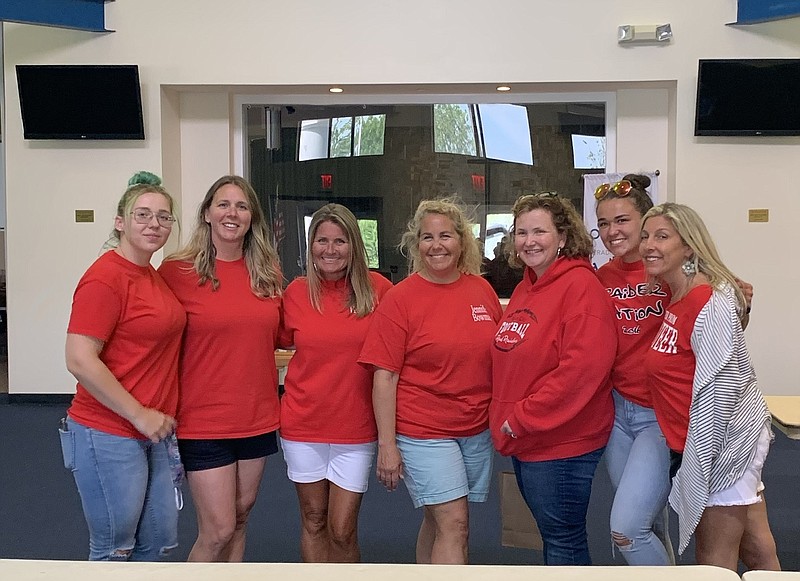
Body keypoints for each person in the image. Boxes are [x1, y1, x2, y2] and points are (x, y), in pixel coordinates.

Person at [359, 197, 502, 564]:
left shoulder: (481, 290)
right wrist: (387, 445)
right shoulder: (400, 299)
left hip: (473, 427)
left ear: (462, 241)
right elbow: (384, 377)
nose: (436, 245)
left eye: (445, 235)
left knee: (437, 518)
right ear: (415, 244)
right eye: (427, 237)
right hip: (423, 429)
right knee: (456, 524)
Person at [641, 202, 779, 572]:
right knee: (756, 550)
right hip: (712, 442)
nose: (648, 245)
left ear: (688, 247)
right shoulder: (680, 296)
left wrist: (702, 463)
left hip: (722, 447)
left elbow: (720, 392)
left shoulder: (707, 301)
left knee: (712, 562)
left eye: (662, 236)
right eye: (646, 236)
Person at [158, 175, 283, 562]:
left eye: (242, 206)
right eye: (224, 205)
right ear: (208, 214)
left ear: (252, 218)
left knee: (241, 518)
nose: (233, 213)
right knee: (217, 529)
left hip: (258, 416)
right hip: (203, 420)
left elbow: (279, 338)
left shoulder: (268, 273)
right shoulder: (175, 272)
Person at [63, 171, 185, 561]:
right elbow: (79, 358)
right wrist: (139, 414)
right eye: (143, 214)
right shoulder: (106, 278)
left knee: (157, 541)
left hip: (154, 430)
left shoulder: (151, 275)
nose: (154, 224)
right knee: (115, 547)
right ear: (120, 222)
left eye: (164, 216)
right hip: (109, 430)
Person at [490, 192, 617, 566]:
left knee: (564, 542)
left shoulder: (580, 287)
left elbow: (582, 371)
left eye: (539, 232)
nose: (529, 241)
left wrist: (521, 418)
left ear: (563, 237)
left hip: (560, 442)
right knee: (554, 537)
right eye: (521, 232)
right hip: (528, 438)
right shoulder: (526, 286)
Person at [279, 203, 393, 562]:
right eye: (322, 240)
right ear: (311, 245)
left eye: (340, 241)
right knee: (314, 520)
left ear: (354, 245)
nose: (330, 249)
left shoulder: (381, 291)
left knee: (342, 529)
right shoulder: (295, 293)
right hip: (302, 423)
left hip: (356, 427)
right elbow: (269, 340)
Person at [594, 174, 675, 565]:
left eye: (622, 220)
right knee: (648, 524)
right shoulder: (601, 277)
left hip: (659, 416)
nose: (612, 231)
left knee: (626, 529)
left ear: (645, 220)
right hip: (617, 412)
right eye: (604, 223)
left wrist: (741, 301)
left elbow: (717, 313)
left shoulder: (667, 268)